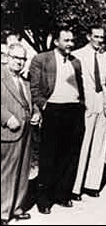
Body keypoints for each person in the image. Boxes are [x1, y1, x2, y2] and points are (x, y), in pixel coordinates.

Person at [29, 25, 85, 214]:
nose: (71, 44)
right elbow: (34, 88)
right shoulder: (41, 59)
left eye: (72, 40)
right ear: (56, 41)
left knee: (69, 155)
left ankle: (62, 194)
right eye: (66, 40)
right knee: (49, 156)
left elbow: (80, 86)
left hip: (74, 110)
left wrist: (81, 105)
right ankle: (43, 199)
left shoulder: (76, 62)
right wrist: (44, 106)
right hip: (53, 110)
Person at [1, 44, 40, 225]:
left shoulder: (25, 81)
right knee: (7, 172)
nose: (19, 62)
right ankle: (3, 211)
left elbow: (31, 103)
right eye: (16, 58)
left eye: (23, 59)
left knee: (23, 171)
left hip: (26, 133)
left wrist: (36, 113)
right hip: (9, 131)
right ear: (7, 57)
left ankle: (16, 207)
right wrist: (7, 118)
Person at [71, 25, 106, 199]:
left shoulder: (104, 57)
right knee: (83, 145)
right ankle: (75, 187)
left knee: (99, 145)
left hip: (100, 103)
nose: (99, 40)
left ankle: (91, 184)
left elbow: (104, 83)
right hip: (86, 103)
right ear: (89, 36)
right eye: (96, 36)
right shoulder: (77, 55)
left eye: (102, 37)